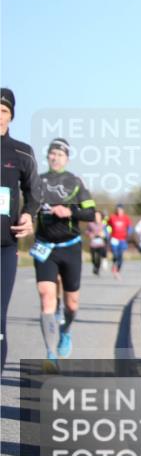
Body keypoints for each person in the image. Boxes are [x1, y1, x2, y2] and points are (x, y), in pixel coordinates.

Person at [34, 138, 96, 367]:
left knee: (72, 304)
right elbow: (27, 208)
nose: (55, 157)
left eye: (60, 154)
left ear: (66, 158)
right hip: (44, 247)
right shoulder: (37, 181)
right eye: (52, 153)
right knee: (46, 297)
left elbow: (91, 214)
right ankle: (50, 354)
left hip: (70, 247)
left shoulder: (75, 182)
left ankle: (66, 330)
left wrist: (69, 211)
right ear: (47, 156)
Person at [0, 88, 41, 372]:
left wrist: (28, 215)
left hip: (5, 245)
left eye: (3, 111)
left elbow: (34, 193)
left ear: (11, 116)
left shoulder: (21, 152)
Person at [106, 204, 132, 279]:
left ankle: (117, 270)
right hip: (114, 239)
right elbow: (107, 226)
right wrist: (107, 234)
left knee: (120, 256)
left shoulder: (126, 218)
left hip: (122, 239)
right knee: (115, 254)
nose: (119, 211)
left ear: (123, 210)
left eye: (120, 210)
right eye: (118, 210)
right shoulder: (112, 217)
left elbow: (129, 227)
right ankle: (114, 264)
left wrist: (129, 233)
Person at [85, 210, 108, 276]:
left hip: (100, 243)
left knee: (99, 257)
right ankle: (95, 265)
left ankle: (97, 269)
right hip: (93, 243)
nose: (97, 217)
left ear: (101, 217)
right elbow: (87, 232)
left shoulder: (103, 224)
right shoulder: (90, 224)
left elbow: (107, 232)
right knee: (93, 258)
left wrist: (103, 234)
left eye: (98, 216)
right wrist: (90, 234)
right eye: (95, 216)